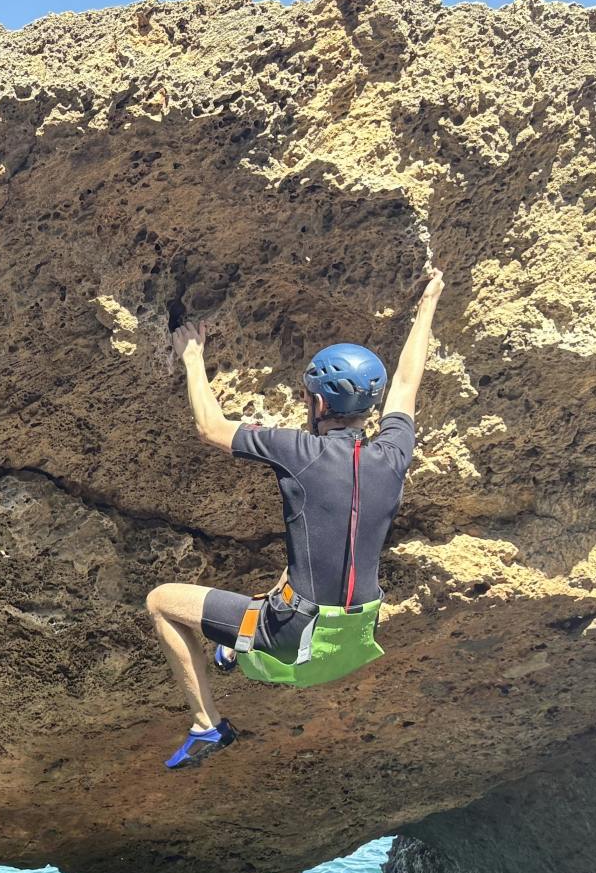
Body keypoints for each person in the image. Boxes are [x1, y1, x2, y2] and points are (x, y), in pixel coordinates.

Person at [145, 269, 446, 768]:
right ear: (370, 406)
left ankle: (206, 724)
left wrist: (192, 356)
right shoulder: (393, 454)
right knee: (302, 561)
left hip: (294, 637)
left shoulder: (298, 451)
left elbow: (210, 427)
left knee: (160, 602)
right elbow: (409, 382)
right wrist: (428, 305)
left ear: (318, 402)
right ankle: (230, 651)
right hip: (354, 636)